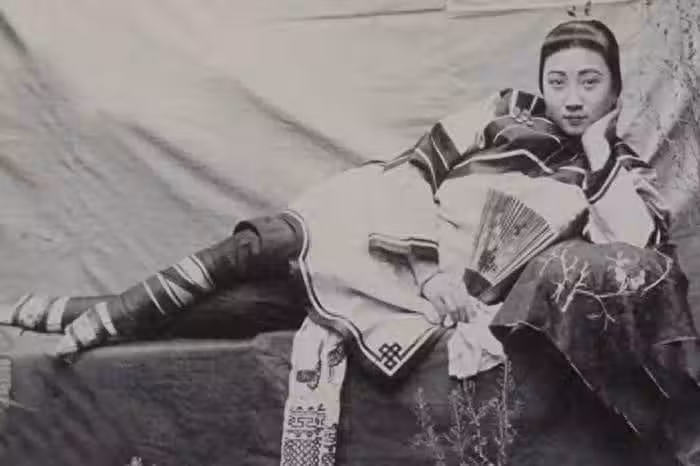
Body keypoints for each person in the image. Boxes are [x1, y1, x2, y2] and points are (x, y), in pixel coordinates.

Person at [2, 19, 699, 461]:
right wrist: (427, 266)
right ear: (540, 83)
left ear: (614, 91)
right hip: (405, 255)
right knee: (262, 257)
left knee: (252, 304)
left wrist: (599, 151)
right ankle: (96, 316)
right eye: (558, 81)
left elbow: (637, 246)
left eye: (589, 83)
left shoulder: (616, 172)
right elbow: (415, 172)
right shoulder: (500, 115)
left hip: (452, 305)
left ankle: (87, 315)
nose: (572, 97)